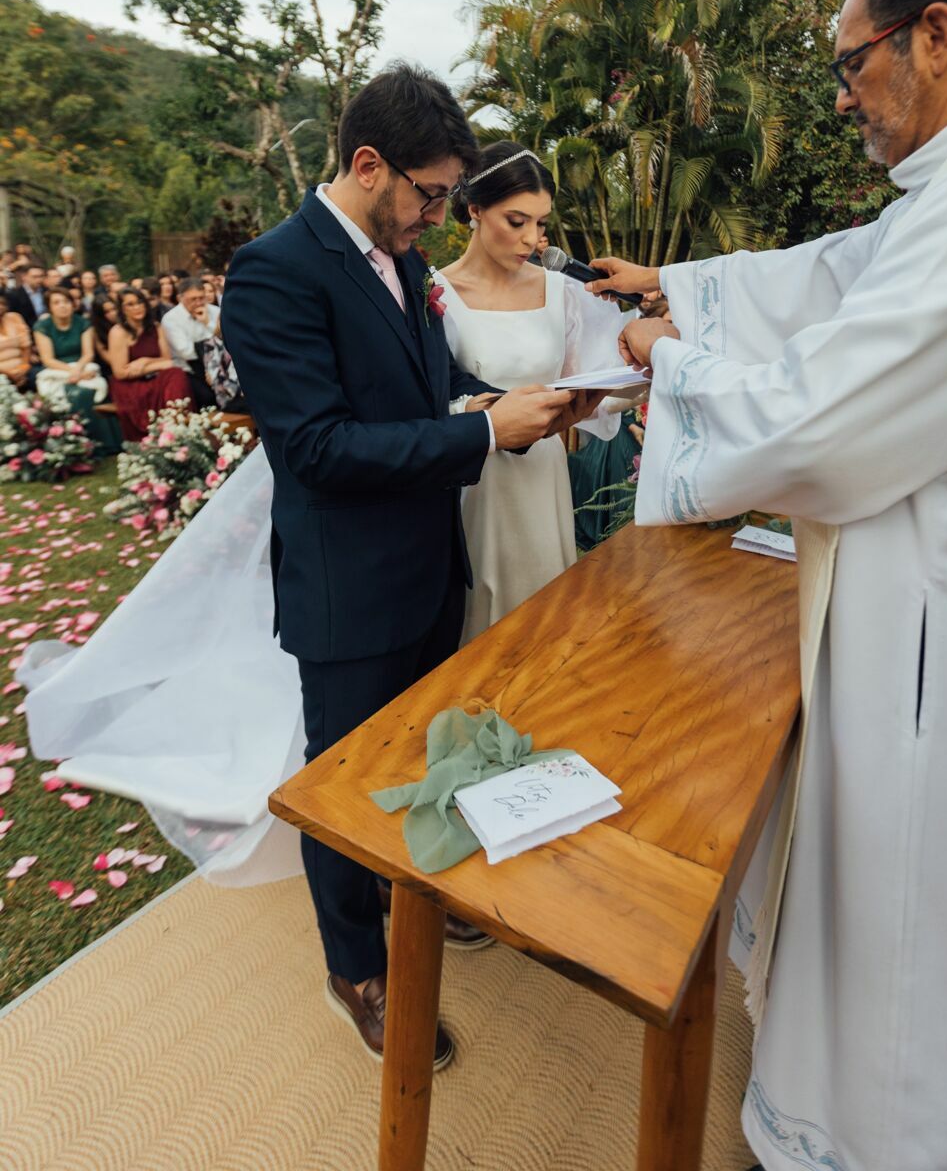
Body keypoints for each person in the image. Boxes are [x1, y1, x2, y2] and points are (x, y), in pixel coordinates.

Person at [590, 0, 947, 1171]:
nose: (844, 92)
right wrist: (679, 287)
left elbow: (824, 415)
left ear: (935, 36)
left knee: (916, 947)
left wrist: (668, 361)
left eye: (851, 62)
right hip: (926, 618)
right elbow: (836, 277)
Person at [222, 61, 596, 1069]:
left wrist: (507, 403)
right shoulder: (273, 271)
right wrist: (479, 439)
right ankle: (358, 968)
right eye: (428, 193)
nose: (438, 214)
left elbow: (439, 381)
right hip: (347, 587)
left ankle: (417, 886)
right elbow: (316, 448)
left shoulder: (411, 267)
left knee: (426, 752)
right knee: (341, 785)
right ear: (367, 163)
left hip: (436, 561)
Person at [436, 140, 624, 643]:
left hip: (543, 476)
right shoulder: (434, 294)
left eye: (540, 224)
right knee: (480, 630)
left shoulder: (561, 291)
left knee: (548, 623)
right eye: (516, 221)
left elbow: (599, 379)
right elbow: (428, 397)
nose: (532, 239)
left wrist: (644, 366)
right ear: (474, 209)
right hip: (477, 483)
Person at [107, 286, 192, 440]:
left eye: (140, 302)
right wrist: (155, 366)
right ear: (122, 309)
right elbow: (120, 372)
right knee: (172, 374)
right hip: (130, 384)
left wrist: (144, 361)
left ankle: (177, 425)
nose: (137, 307)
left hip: (155, 377)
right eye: (130, 304)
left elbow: (168, 361)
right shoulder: (118, 332)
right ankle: (164, 432)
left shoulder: (156, 327)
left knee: (177, 374)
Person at [33, 286, 108, 417]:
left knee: (90, 388)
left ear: (73, 304)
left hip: (82, 365)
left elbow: (88, 353)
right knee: (53, 392)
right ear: (49, 307)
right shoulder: (42, 327)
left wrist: (78, 371)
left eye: (66, 302)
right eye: (56, 303)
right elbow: (47, 359)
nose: (62, 306)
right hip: (57, 369)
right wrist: (73, 373)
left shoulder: (83, 323)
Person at [161, 277, 220, 407]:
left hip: (219, 364)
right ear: (180, 298)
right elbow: (186, 352)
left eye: (201, 298)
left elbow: (225, 340)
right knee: (208, 397)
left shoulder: (215, 311)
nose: (199, 303)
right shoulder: (171, 319)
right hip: (190, 369)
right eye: (193, 299)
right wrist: (213, 341)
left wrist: (207, 323)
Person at [0, 293, 32, 388]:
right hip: (2, 372)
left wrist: (23, 367)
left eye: (2, 304)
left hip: (22, 367)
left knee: (38, 377)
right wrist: (8, 374)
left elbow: (26, 346)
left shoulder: (14, 318)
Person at [8, 261, 47, 327]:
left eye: (41, 276)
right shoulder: (15, 296)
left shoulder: (46, 291)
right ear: (24, 277)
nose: (39, 280)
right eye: (35, 277)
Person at [89, 295, 118, 371]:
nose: (113, 313)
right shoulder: (96, 330)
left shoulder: (126, 322)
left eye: (114, 309)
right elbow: (108, 358)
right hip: (110, 370)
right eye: (107, 312)